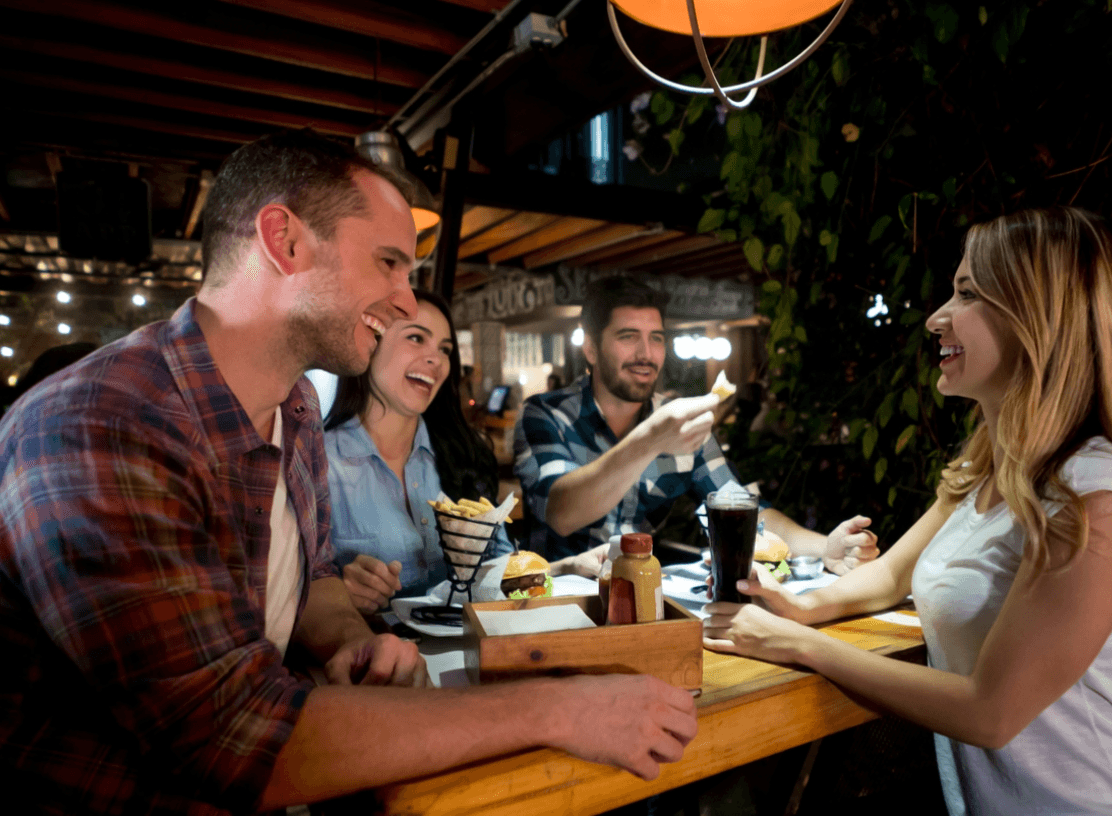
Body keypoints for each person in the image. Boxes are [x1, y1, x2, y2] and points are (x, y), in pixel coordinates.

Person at [0, 129, 697, 814]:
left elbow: (311, 582)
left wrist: (356, 644)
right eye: (389, 263)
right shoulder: (102, 419)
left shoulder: (295, 405)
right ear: (286, 242)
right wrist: (559, 708)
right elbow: (228, 737)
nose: (403, 298)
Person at [703, 207, 1112, 815]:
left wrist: (797, 642)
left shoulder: (1090, 495)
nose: (934, 319)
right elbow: (892, 575)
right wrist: (801, 605)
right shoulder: (985, 469)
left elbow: (991, 711)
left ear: (1036, 318)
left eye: (967, 293)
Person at [514, 275, 879, 573]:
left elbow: (739, 508)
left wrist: (825, 547)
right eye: (628, 337)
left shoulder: (677, 420)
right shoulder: (547, 414)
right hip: (556, 604)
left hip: (643, 599)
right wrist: (652, 438)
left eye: (656, 338)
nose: (646, 354)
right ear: (591, 349)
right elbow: (562, 513)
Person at [323, 288, 513, 611]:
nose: (436, 360)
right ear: (371, 342)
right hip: (376, 653)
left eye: (445, 349)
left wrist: (563, 568)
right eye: (416, 338)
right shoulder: (320, 461)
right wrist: (338, 592)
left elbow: (504, 567)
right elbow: (287, 592)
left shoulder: (463, 454)